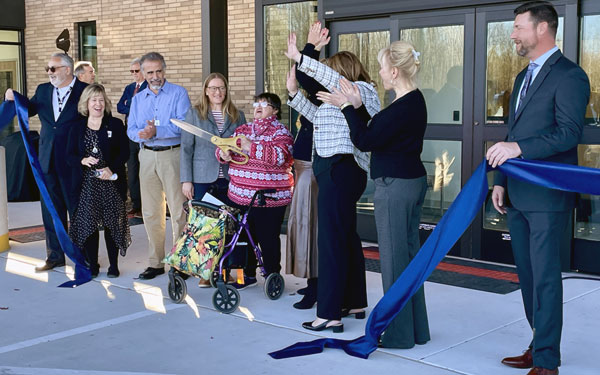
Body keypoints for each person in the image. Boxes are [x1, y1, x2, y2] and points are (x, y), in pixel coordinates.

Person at [486, 2, 590, 374]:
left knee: (546, 279)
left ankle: (547, 361)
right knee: (528, 278)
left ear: (542, 28)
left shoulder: (570, 76)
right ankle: (538, 342)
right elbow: (512, 134)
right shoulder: (520, 78)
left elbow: (567, 134)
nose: (512, 34)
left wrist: (518, 149)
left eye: (518, 27)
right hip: (517, 192)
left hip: (547, 196)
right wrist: (501, 182)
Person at [317, 41, 430, 348]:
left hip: (395, 187)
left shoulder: (403, 106)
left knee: (394, 264)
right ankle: (416, 330)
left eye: (382, 67)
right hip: (409, 182)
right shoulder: (412, 102)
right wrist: (357, 106)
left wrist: (346, 107)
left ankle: (398, 335)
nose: (378, 72)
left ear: (394, 71)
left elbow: (365, 139)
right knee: (407, 261)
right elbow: (379, 130)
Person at [286, 33, 381, 332]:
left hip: (341, 170)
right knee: (346, 237)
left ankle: (329, 313)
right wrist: (293, 95)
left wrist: (302, 58)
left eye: (331, 71)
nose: (326, 77)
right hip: (336, 171)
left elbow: (323, 76)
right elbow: (317, 116)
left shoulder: (361, 90)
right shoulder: (342, 99)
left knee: (330, 242)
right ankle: (353, 302)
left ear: (343, 72)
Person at [4, 52, 88, 271]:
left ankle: (84, 256)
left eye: (53, 68)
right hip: (47, 159)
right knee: (51, 210)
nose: (49, 73)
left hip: (74, 161)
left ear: (67, 70)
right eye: (48, 69)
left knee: (77, 209)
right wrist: (13, 96)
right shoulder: (43, 90)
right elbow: (28, 108)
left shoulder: (85, 91)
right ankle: (54, 256)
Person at [216, 93, 294, 290]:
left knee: (268, 239)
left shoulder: (281, 132)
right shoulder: (242, 129)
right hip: (239, 195)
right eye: (256, 103)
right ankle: (245, 276)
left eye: (264, 104)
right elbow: (224, 148)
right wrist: (223, 153)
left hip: (268, 198)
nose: (258, 107)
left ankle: (272, 276)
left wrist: (251, 146)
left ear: (275, 110)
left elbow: (279, 157)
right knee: (241, 239)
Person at [127, 52, 191, 280]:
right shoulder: (137, 99)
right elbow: (130, 129)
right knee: (151, 212)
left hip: (171, 155)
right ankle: (155, 263)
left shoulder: (178, 93)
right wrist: (141, 134)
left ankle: (180, 263)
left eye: (158, 71)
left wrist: (158, 131)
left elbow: (183, 125)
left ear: (164, 70)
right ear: (143, 73)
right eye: (150, 72)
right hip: (146, 156)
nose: (155, 76)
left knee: (178, 211)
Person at [180, 72, 246, 287]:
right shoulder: (195, 114)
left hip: (230, 178)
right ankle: (205, 275)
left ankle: (231, 274)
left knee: (230, 228)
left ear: (226, 90)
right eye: (213, 88)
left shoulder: (237, 115)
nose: (217, 92)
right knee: (204, 228)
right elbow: (186, 149)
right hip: (202, 178)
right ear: (206, 91)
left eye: (221, 88)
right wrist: (186, 180)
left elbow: (243, 146)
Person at [285, 21, 329, 310]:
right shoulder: (315, 102)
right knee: (303, 229)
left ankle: (317, 286)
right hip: (302, 168)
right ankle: (312, 283)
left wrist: (308, 51)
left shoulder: (327, 101)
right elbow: (302, 85)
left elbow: (306, 77)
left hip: (312, 171)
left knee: (311, 230)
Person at [66, 84, 131, 278]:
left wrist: (110, 167)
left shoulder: (115, 125)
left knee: (112, 224)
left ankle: (113, 265)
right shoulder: (77, 127)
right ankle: (92, 264)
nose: (98, 104)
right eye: (94, 100)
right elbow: (68, 155)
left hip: (110, 182)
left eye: (101, 100)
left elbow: (125, 152)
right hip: (87, 184)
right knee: (90, 225)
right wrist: (82, 160)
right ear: (86, 103)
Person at [117, 58, 148, 217]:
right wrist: (132, 104)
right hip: (130, 134)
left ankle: (145, 205)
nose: (134, 74)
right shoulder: (129, 88)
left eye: (137, 71)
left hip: (144, 134)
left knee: (145, 170)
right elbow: (119, 106)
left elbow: (143, 108)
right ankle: (136, 204)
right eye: (132, 71)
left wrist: (130, 104)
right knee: (133, 169)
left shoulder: (149, 87)